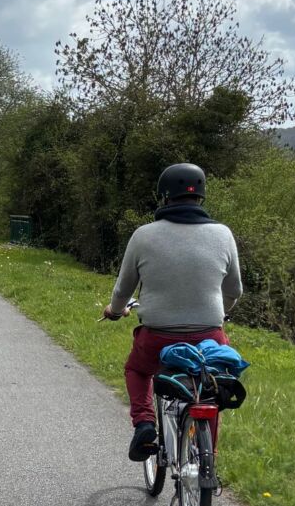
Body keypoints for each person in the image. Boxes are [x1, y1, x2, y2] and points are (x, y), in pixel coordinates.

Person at [101, 162, 243, 461]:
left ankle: (144, 423)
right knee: (209, 386)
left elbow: (123, 290)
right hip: (209, 337)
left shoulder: (143, 236)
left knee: (137, 370)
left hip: (158, 338)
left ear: (164, 196)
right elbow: (234, 291)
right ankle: (207, 455)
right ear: (201, 196)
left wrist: (115, 311)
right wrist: (220, 315)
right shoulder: (223, 234)